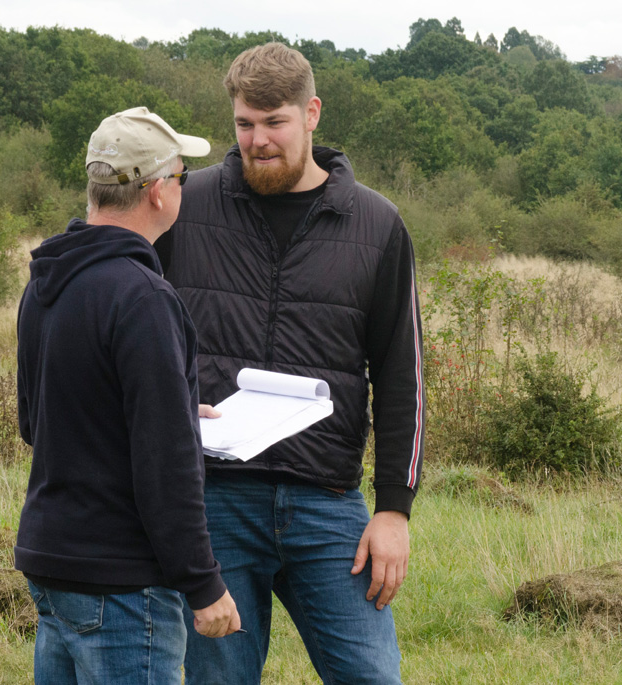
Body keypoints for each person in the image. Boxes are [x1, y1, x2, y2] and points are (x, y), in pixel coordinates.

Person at [156, 43, 425, 684]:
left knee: (371, 677)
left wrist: (393, 510)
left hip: (328, 505)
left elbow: (401, 377)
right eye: (244, 123)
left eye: (274, 122)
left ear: (312, 113)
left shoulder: (378, 224)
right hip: (212, 502)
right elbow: (115, 306)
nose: (258, 140)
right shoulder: (183, 207)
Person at [14, 106, 240, 685]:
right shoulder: (143, 297)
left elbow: (39, 423)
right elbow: (165, 465)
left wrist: (166, 406)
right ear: (159, 191)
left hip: (54, 565)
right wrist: (203, 584)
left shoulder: (48, 282)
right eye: (182, 177)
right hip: (122, 584)